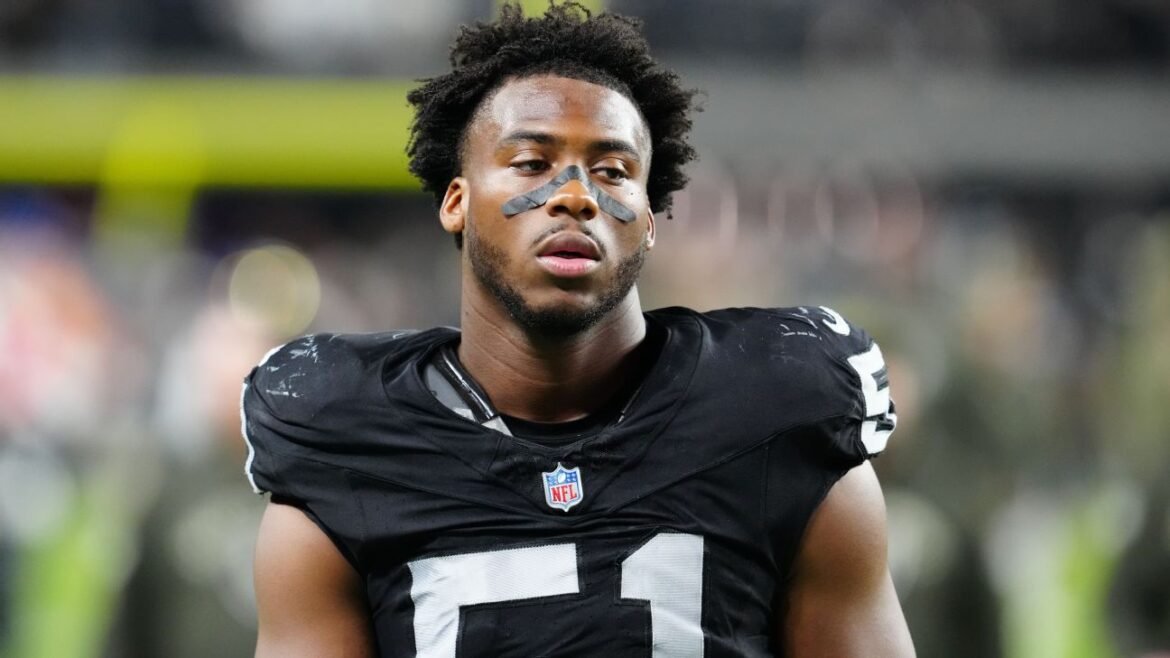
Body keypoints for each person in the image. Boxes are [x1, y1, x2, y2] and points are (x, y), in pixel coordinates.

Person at [240, 3, 915, 656]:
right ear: (457, 202)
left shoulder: (779, 414)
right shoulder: (345, 444)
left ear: (648, 219)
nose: (574, 195)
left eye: (612, 172)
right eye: (531, 163)